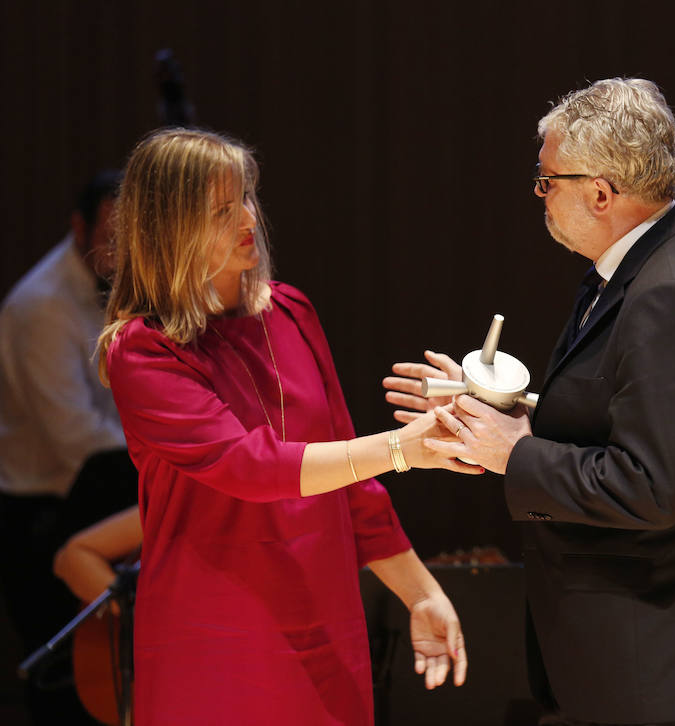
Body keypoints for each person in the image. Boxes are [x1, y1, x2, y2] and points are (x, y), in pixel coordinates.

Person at [384, 78, 675, 725]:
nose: (539, 196)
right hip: (634, 653)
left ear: (601, 192)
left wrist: (514, 453)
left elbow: (652, 486)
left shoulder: (672, 296)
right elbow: (621, 418)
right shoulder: (637, 264)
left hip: (659, 664)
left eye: (548, 181)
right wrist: (495, 408)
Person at [96, 127, 476, 726]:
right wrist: (402, 447)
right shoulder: (141, 351)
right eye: (221, 210)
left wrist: (421, 592)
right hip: (212, 639)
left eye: (246, 196)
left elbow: (355, 488)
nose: (247, 216)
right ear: (169, 228)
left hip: (324, 626)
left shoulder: (291, 310)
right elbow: (251, 467)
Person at [0, 170, 137, 726]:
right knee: (64, 692)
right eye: (107, 233)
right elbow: (77, 438)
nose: (116, 250)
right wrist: (174, 443)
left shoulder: (114, 286)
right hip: (41, 511)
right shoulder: (41, 307)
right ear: (78, 227)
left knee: (108, 678)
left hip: (96, 501)